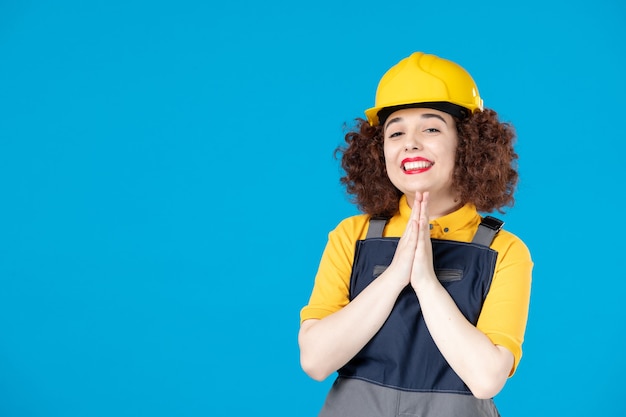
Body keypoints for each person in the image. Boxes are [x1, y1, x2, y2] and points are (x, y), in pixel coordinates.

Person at [298, 52, 533, 417]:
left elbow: (486, 378)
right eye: (395, 132)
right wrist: (394, 276)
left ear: (468, 144)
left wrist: (426, 282)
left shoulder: (505, 252)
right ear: (380, 151)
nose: (410, 143)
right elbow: (315, 360)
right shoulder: (352, 235)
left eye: (431, 128)